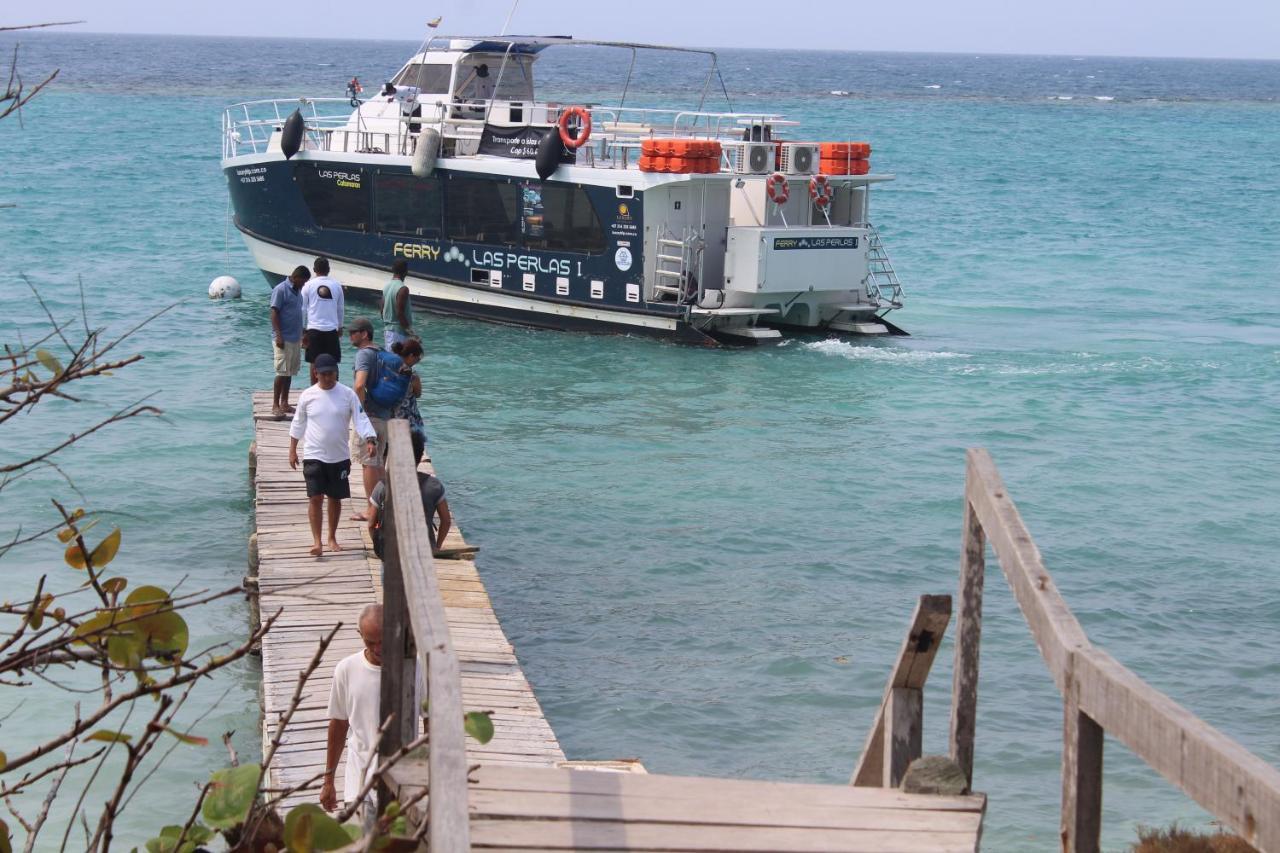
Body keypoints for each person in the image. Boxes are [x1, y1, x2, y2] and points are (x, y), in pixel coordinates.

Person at [288, 353, 377, 557]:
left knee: (335, 498)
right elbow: (298, 423)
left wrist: (370, 440)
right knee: (315, 497)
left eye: (332, 373)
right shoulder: (307, 395)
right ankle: (317, 541)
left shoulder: (347, 394)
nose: (329, 378)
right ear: (315, 373)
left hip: (339, 456)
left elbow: (360, 419)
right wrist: (292, 449)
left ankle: (332, 537)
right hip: (313, 454)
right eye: (324, 374)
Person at [320, 603, 382, 816]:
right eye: (370, 642)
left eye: (383, 641)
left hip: (401, 778)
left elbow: (431, 720)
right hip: (358, 779)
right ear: (360, 634)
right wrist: (328, 780)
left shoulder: (415, 668)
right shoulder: (346, 669)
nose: (378, 649)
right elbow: (338, 724)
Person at [348, 317, 403, 520]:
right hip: (385, 416)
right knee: (378, 462)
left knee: (368, 464)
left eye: (354, 332)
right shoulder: (383, 353)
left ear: (364, 334)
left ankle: (371, 511)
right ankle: (382, 506)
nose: (350, 335)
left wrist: (359, 411)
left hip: (370, 417)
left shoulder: (363, 355)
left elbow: (359, 385)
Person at [367, 431, 451, 554]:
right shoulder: (434, 485)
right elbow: (446, 521)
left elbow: (371, 523)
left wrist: (379, 547)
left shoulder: (383, 485)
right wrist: (437, 546)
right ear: (421, 455)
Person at [270, 266, 309, 420]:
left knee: (290, 372)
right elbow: (274, 313)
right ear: (296, 277)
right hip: (283, 337)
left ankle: (285, 402)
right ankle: (275, 404)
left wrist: (303, 334)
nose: (304, 285)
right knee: (281, 371)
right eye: (303, 281)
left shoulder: (298, 292)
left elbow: (299, 314)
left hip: (294, 337)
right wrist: (278, 335)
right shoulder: (281, 290)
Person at [301, 256, 345, 384]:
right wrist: (340, 327)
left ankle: (314, 389)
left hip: (313, 329)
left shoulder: (308, 285)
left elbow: (302, 309)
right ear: (329, 269)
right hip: (331, 329)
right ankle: (335, 388)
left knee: (314, 362)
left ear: (314, 269)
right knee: (333, 361)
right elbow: (340, 308)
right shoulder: (336, 285)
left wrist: (303, 330)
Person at [390, 337, 427, 444]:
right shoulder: (413, 376)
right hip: (409, 418)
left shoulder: (389, 369)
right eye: (418, 358)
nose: (418, 361)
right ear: (411, 356)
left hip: (391, 416)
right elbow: (418, 394)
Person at [381, 259, 414, 350]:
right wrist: (411, 333)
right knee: (398, 361)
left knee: (391, 360)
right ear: (405, 272)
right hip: (399, 333)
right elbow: (400, 313)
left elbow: (381, 310)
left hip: (387, 331)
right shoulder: (403, 289)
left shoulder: (386, 287)